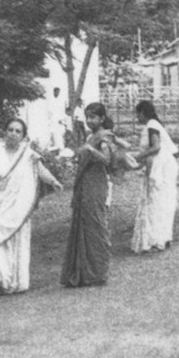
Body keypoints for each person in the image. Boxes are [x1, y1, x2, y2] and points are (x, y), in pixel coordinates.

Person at [0, 118, 61, 296]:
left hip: (18, 208)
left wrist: (53, 181)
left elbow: (41, 170)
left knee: (16, 243)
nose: (13, 134)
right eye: (10, 130)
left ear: (23, 136)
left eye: (18, 131)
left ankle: (14, 280)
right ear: (4, 132)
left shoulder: (27, 154)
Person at [60, 102, 116, 288]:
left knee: (95, 225)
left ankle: (97, 272)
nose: (89, 120)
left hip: (96, 185)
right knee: (83, 225)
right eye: (87, 117)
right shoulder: (91, 136)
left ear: (101, 118)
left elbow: (106, 160)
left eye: (93, 117)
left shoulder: (104, 137)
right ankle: (82, 273)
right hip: (85, 183)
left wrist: (90, 150)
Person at [129, 100, 178, 253]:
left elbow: (156, 148)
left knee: (157, 201)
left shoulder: (152, 125)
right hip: (161, 165)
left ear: (143, 112)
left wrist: (136, 157)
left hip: (161, 167)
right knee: (161, 201)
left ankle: (158, 238)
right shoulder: (154, 125)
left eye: (137, 114)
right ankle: (162, 236)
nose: (137, 117)